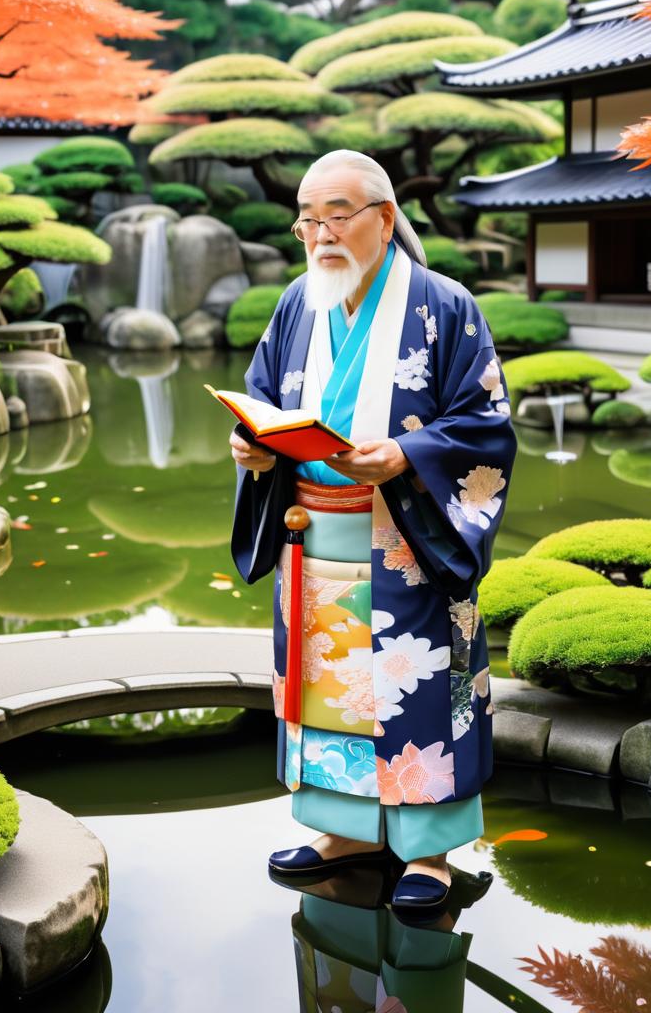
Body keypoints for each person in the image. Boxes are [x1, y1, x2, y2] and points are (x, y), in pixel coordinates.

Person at [229, 148, 517, 910]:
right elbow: (264, 393)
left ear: (384, 219)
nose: (319, 234)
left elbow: (485, 423)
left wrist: (407, 456)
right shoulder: (298, 302)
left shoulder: (445, 305)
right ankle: (344, 827)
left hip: (407, 535)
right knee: (331, 692)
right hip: (312, 534)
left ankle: (429, 851)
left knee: (417, 690)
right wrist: (252, 445)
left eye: (336, 215)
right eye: (306, 219)